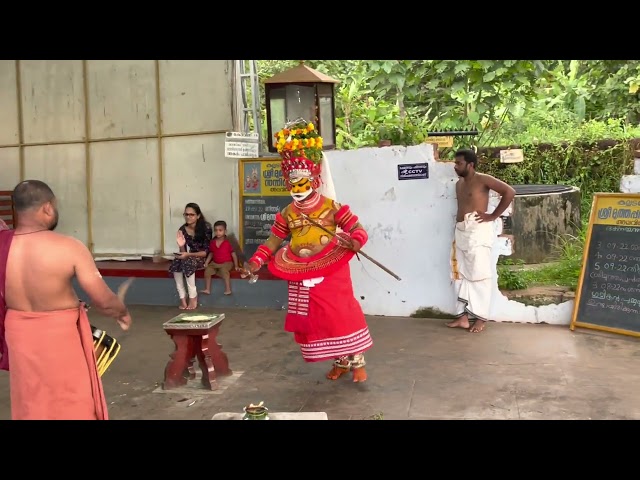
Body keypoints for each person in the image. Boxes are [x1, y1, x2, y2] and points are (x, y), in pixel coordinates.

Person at [243, 118, 373, 383]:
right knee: (317, 321)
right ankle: (341, 362)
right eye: (293, 184)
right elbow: (273, 241)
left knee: (340, 315)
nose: (297, 189)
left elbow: (358, 229)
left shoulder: (331, 207)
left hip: (332, 270)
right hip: (301, 272)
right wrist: (256, 261)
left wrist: (356, 241)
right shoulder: (287, 213)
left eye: (302, 183)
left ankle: (357, 360)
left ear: (314, 179)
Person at [0, 180, 132, 420]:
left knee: (31, 399)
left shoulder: (3, 246)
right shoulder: (69, 247)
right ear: (48, 208)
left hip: (18, 331)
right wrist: (121, 310)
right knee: (71, 400)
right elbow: (103, 300)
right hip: (58, 334)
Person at [446, 149, 515, 333]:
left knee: (479, 273)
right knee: (458, 272)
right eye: (455, 163)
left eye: (459, 163)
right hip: (461, 231)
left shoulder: (483, 179)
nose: (455, 166)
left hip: (478, 231)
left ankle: (480, 318)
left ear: (471, 165)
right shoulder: (459, 184)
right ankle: (462, 318)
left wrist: (493, 215)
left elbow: (509, 192)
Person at [168, 203, 212, 310]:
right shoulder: (182, 229)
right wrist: (181, 246)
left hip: (203, 257)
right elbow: (183, 253)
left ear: (198, 216)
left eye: (191, 215)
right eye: (186, 214)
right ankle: (182, 298)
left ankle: (193, 297)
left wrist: (188, 255)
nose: (188, 217)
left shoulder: (206, 227)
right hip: (190, 256)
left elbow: (206, 252)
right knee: (176, 262)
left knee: (188, 262)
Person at [200, 220, 239, 296]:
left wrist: (236, 265)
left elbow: (234, 254)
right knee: (207, 271)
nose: (218, 232)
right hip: (215, 263)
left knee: (224, 271)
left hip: (227, 263)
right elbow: (211, 253)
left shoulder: (228, 242)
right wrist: (207, 262)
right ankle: (207, 289)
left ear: (225, 231)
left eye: (220, 230)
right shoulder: (213, 242)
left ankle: (228, 289)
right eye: (216, 230)